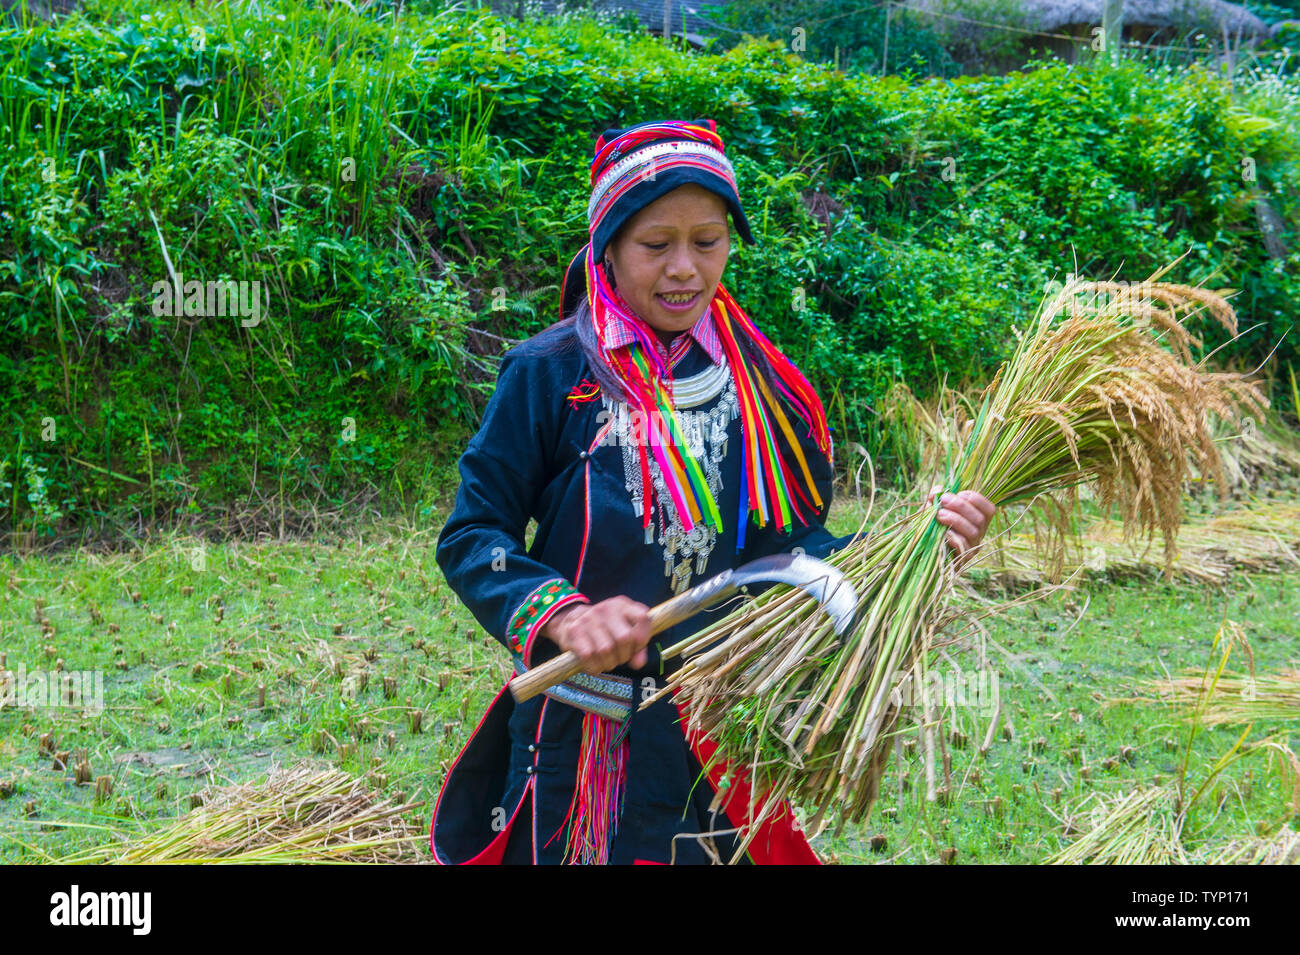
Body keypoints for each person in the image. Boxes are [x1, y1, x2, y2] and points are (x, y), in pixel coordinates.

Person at [431, 119, 995, 865]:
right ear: (607, 248)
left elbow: (791, 556)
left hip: (715, 736)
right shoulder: (550, 375)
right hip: (581, 743)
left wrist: (918, 545)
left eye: (708, 241)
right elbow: (476, 535)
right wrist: (564, 615)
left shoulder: (766, 388)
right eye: (655, 245)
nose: (685, 269)